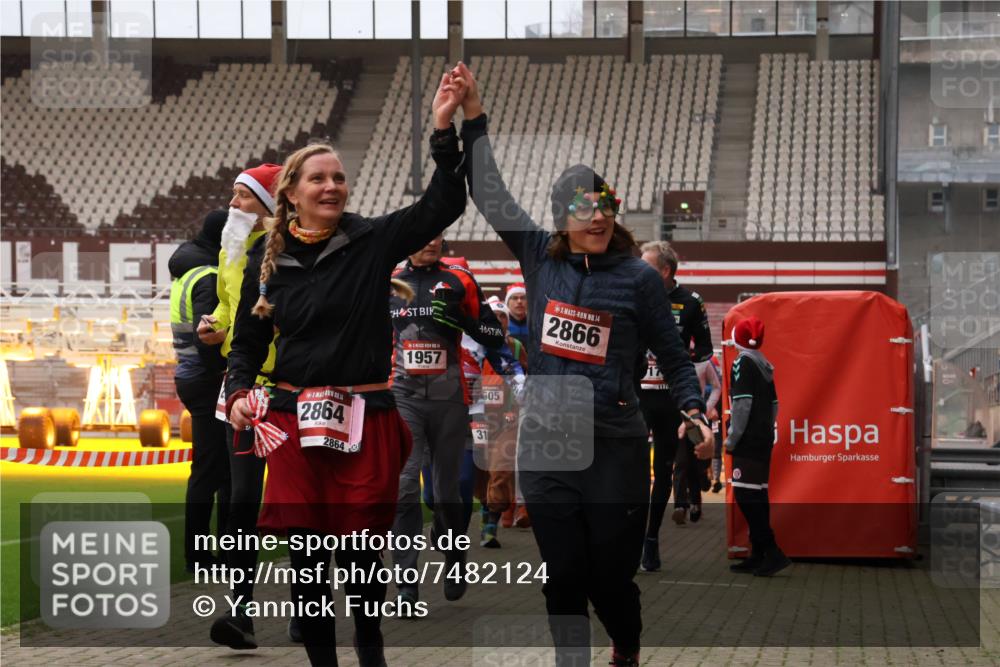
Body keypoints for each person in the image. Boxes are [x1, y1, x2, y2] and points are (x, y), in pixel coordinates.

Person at [452, 61, 714, 667]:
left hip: (616, 443)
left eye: (605, 206)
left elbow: (674, 356)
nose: (597, 217)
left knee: (609, 578)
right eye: (583, 207)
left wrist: (694, 412)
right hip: (549, 441)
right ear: (561, 217)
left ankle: (626, 645)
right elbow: (488, 190)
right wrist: (474, 115)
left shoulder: (639, 280)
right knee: (564, 574)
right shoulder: (539, 258)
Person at [224, 72, 468, 667]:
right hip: (293, 423)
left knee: (361, 557)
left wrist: (442, 128)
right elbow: (247, 343)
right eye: (318, 178)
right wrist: (237, 392)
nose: (332, 186)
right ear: (291, 193)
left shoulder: (371, 240)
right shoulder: (266, 262)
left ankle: (370, 648)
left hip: (366, 418)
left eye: (338, 177)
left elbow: (445, 203)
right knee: (307, 562)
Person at [388, 235, 505, 607]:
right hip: (403, 396)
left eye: (439, 234)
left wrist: (464, 320)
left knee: (446, 491)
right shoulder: (389, 281)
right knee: (405, 486)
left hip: (449, 398)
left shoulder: (460, 279)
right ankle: (406, 585)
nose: (432, 241)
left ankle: (455, 555)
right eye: (424, 235)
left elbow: (495, 336)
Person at [197, 164, 284, 650]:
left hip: (294, 390)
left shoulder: (292, 251)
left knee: (300, 501)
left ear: (270, 205)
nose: (233, 204)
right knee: (241, 498)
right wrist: (215, 326)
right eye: (233, 194)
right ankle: (241, 612)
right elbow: (229, 310)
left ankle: (307, 606)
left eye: (244, 196)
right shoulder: (230, 252)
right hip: (243, 388)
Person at [636, 241, 714, 572]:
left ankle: (651, 538)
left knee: (666, 468)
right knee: (631, 469)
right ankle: (629, 537)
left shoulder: (691, 302)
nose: (638, 271)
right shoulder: (632, 295)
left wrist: (677, 360)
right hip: (637, 397)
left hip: (670, 400)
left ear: (665, 271)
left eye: (647, 266)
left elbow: (705, 350)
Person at [169, 210, 229, 574]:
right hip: (208, 379)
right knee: (210, 471)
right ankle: (201, 557)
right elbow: (207, 337)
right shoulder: (207, 276)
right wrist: (226, 368)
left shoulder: (187, 271)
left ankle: (210, 554)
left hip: (191, 376)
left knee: (214, 469)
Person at [726, 316, 789, 577]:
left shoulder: (742, 362)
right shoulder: (765, 364)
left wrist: (732, 438)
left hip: (747, 440)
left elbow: (741, 405)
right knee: (758, 495)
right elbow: (774, 405)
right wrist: (766, 430)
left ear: (738, 338)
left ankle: (772, 552)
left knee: (746, 495)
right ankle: (758, 553)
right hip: (762, 439)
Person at [505, 282, 529, 348]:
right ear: (507, 303)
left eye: (523, 298)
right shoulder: (502, 325)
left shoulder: (536, 325)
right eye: (515, 298)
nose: (519, 301)